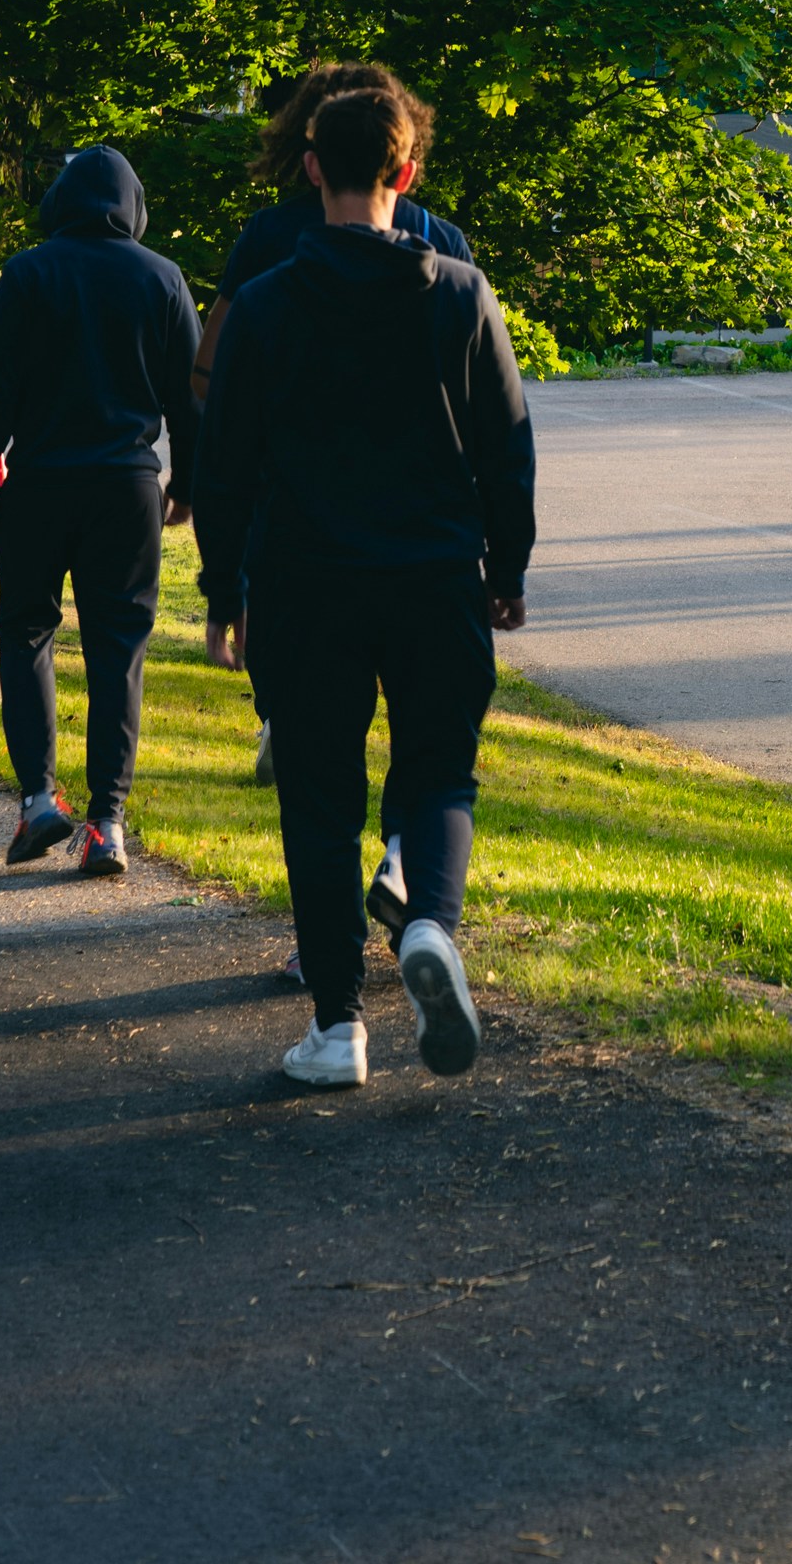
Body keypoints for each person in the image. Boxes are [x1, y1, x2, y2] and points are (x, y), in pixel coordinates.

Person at [193, 83, 536, 1089]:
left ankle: (337, 1026)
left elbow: (228, 465)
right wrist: (504, 570)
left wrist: (225, 594)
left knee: (318, 795)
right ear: (406, 173)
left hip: (306, 583)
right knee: (437, 769)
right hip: (432, 574)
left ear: (310, 170)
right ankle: (428, 919)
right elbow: (505, 446)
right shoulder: (461, 293)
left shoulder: (264, 305)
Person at [0, 146, 200, 874]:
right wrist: (189, 484)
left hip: (41, 481)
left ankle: (38, 800)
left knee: (25, 630)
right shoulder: (162, 277)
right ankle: (108, 821)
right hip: (128, 484)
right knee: (119, 647)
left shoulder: (28, 273)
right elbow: (189, 398)